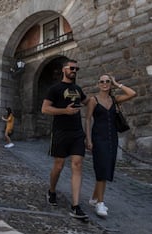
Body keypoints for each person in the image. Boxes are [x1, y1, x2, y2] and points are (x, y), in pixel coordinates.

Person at [41, 59, 89, 219]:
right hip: (60, 132)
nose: (75, 70)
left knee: (77, 165)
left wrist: (106, 96)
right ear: (64, 70)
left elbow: (88, 102)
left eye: (77, 68)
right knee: (59, 166)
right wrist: (65, 111)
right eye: (72, 68)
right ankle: (52, 190)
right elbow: (45, 109)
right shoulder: (54, 89)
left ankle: (75, 206)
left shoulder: (78, 89)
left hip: (77, 132)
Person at [85, 74, 136, 217]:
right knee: (102, 168)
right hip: (98, 138)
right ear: (98, 84)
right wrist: (88, 139)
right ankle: (100, 203)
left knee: (107, 168)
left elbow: (133, 93)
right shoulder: (93, 100)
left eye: (107, 81)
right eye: (102, 81)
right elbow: (88, 120)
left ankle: (94, 198)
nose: (105, 83)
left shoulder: (115, 100)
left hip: (112, 138)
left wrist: (117, 84)